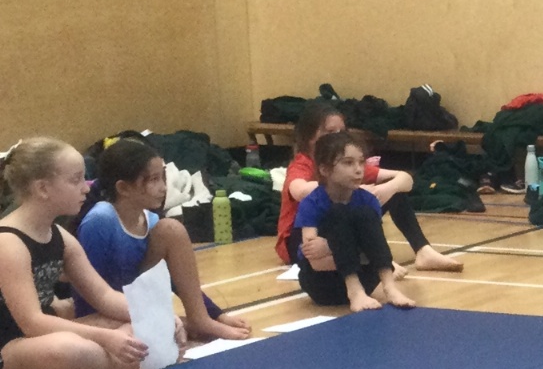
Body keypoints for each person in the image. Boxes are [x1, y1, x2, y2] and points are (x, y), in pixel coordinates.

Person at [0, 138, 150, 369]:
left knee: (134, 325)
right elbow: (32, 322)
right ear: (43, 188)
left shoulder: (60, 236)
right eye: (76, 180)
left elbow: (104, 296)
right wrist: (107, 338)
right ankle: (126, 363)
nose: (86, 188)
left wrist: (154, 315)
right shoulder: (8, 243)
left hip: (42, 338)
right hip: (9, 347)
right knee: (71, 349)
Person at [73, 139, 251, 342]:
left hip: (138, 308)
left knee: (172, 229)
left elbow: (177, 278)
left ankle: (198, 320)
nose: (164, 188)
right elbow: (88, 292)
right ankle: (178, 324)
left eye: (162, 178)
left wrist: (216, 315)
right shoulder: (100, 220)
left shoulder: (151, 221)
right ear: (123, 188)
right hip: (104, 313)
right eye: (154, 180)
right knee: (165, 330)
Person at [274, 102, 463, 274]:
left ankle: (423, 250)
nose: (338, 137)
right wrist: (354, 188)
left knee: (394, 193)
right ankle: (373, 260)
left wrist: (387, 189)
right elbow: (299, 190)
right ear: (309, 138)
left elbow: (405, 179)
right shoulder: (303, 163)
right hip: (301, 240)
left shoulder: (348, 164)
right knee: (339, 211)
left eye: (342, 131)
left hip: (335, 232)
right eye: (330, 132)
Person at [292, 132, 416, 312]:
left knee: (363, 213)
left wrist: (330, 246)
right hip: (323, 284)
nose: (358, 169)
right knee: (338, 212)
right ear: (325, 170)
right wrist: (360, 252)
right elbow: (316, 262)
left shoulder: (368, 201)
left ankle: (390, 288)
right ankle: (354, 290)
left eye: (361, 162)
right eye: (348, 163)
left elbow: (376, 249)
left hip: (367, 280)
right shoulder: (311, 203)